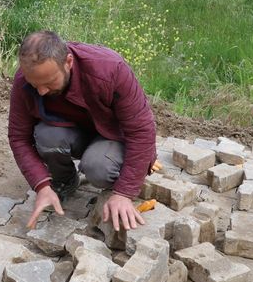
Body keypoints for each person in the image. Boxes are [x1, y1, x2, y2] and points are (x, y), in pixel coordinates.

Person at [8, 31, 157, 232]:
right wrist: (41, 185)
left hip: (112, 135)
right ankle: (66, 181)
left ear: (68, 62)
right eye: (36, 85)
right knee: (46, 136)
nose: (41, 91)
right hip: (74, 132)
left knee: (98, 168)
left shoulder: (110, 69)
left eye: (49, 83)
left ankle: (112, 183)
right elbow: (18, 137)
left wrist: (124, 193)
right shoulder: (24, 80)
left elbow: (142, 131)